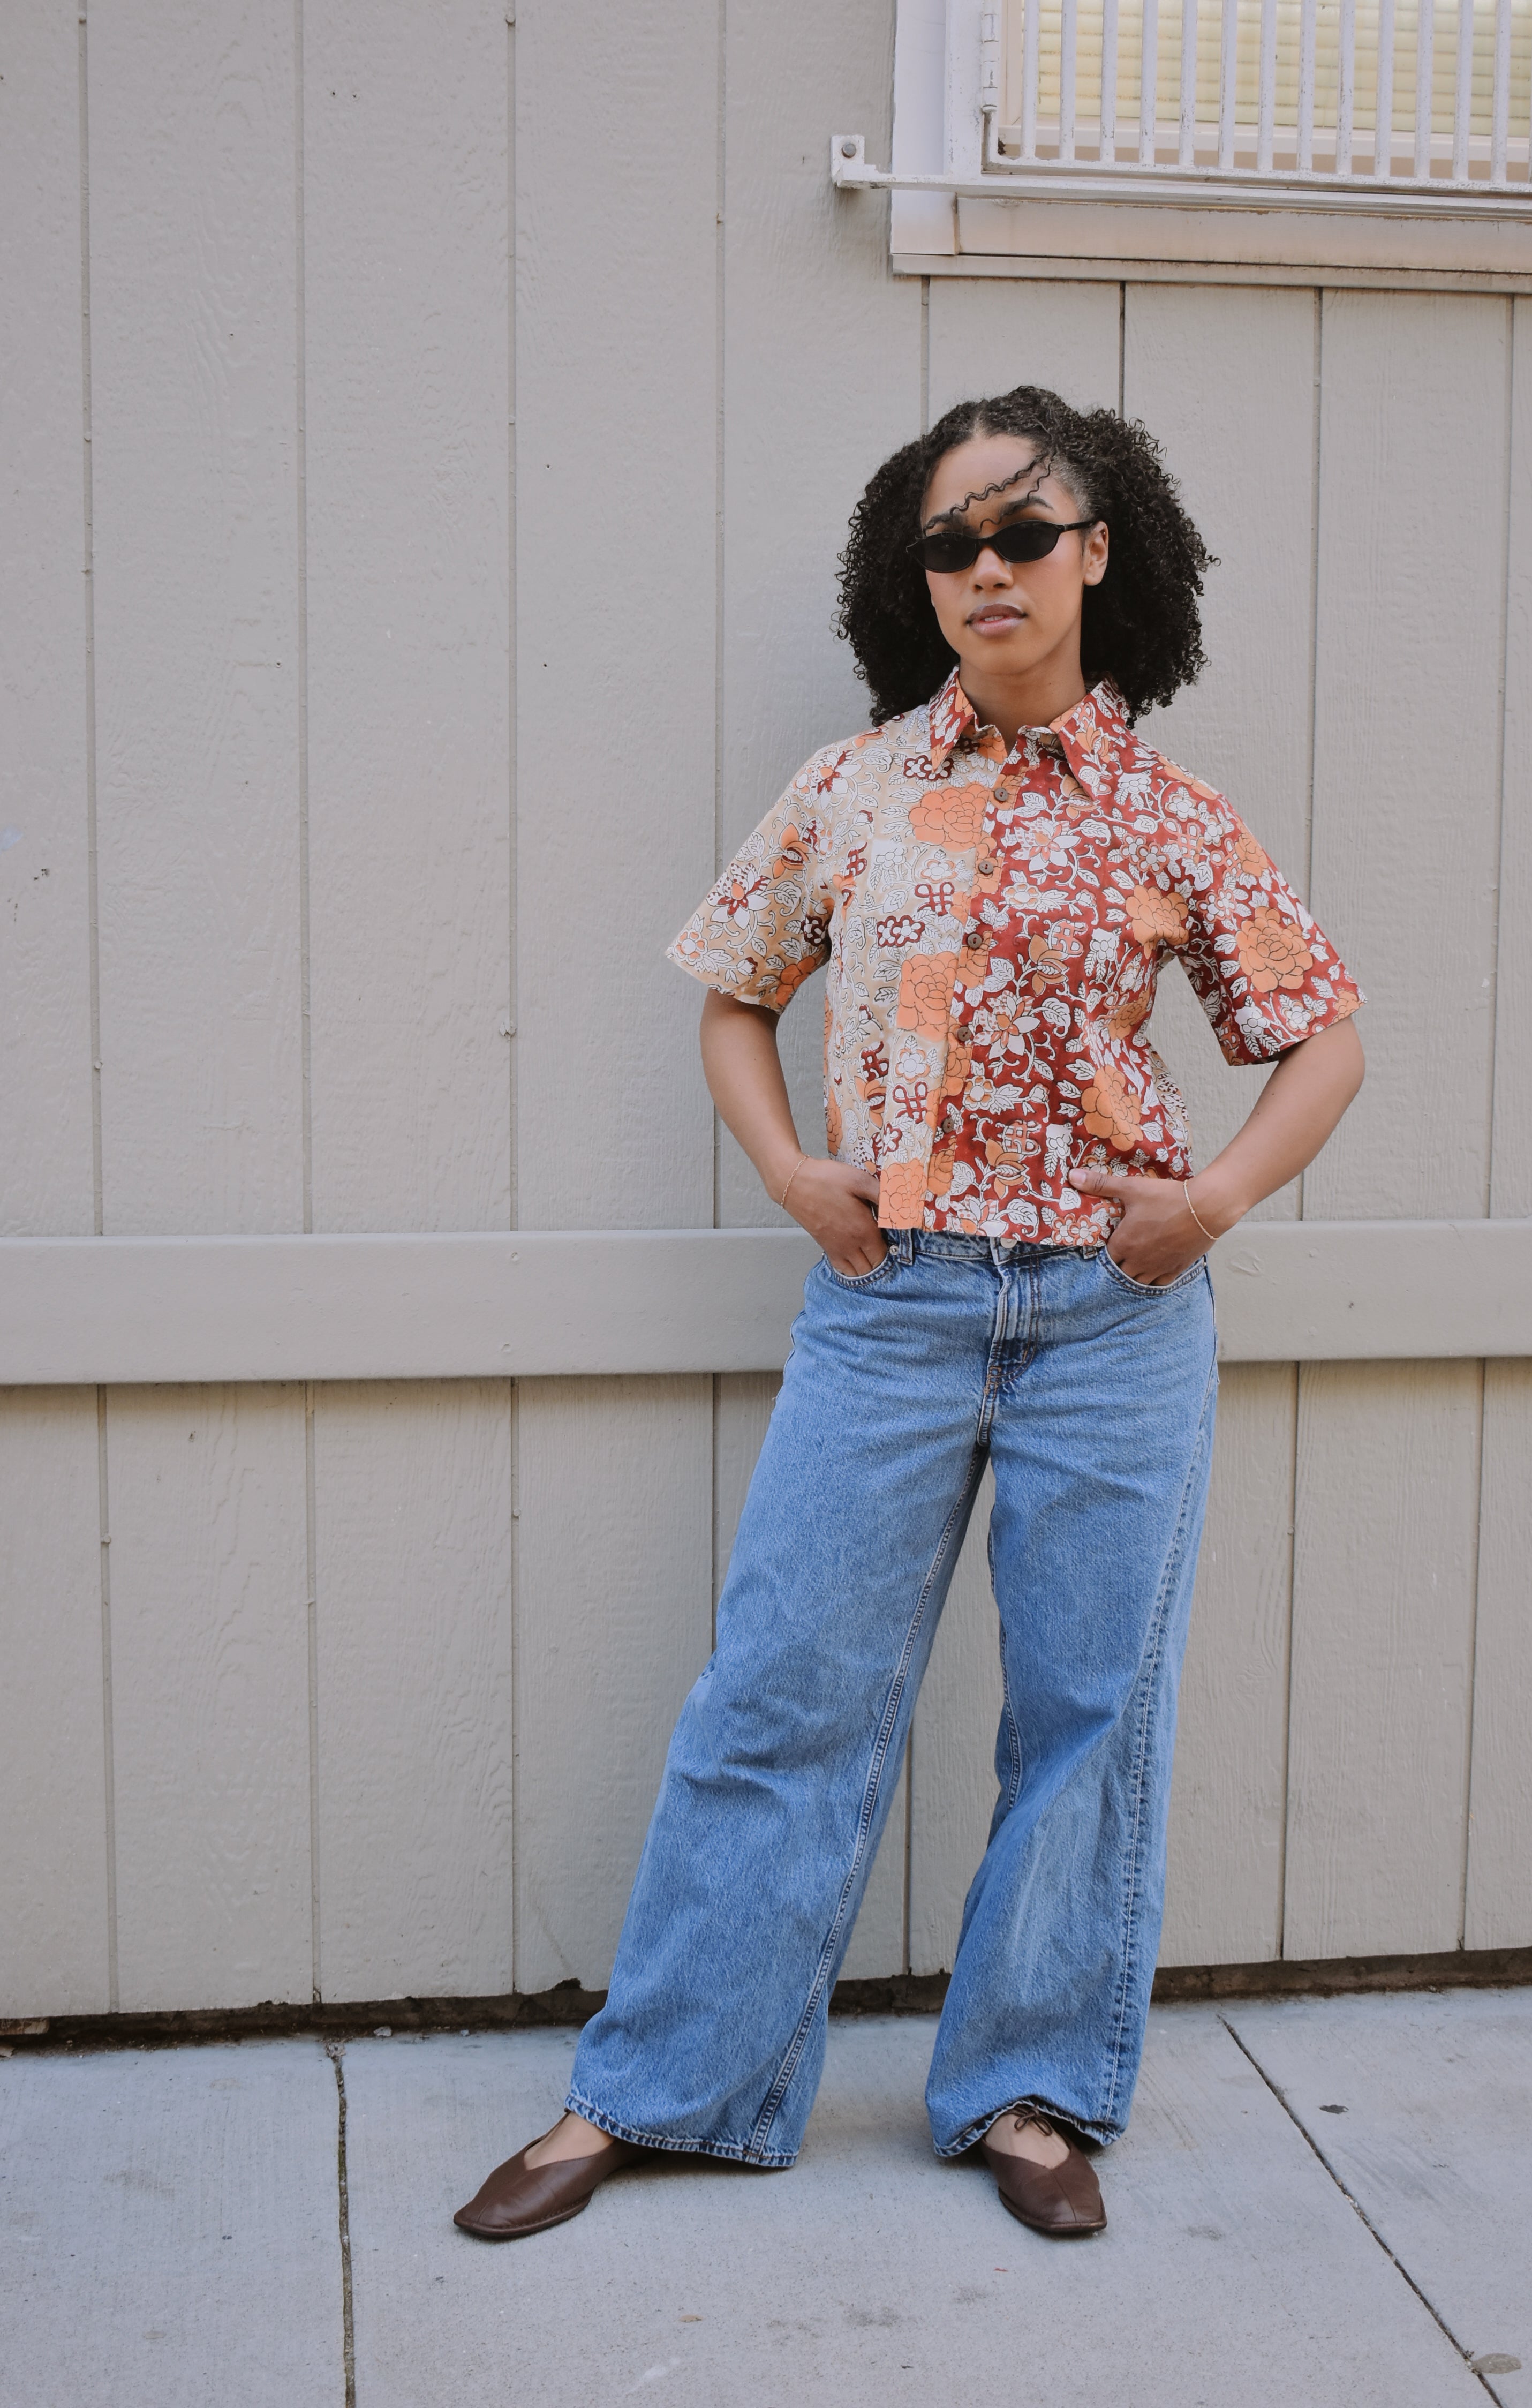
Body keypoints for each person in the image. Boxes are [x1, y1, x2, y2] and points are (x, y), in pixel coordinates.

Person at [456, 386, 1364, 2243]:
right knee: (780, 1693)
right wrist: (796, 1173)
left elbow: (1322, 1035)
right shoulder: (852, 788)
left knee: (1088, 1715)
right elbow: (735, 993)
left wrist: (1213, 1202)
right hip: (894, 1306)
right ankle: (657, 2087)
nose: (985, 569)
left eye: (1022, 531)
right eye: (950, 542)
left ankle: (1029, 2093)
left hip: (1113, 1318)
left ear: (1098, 552)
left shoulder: (1172, 815)